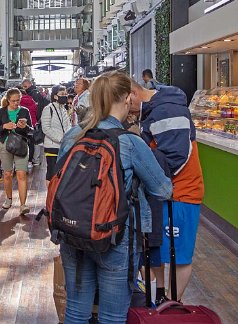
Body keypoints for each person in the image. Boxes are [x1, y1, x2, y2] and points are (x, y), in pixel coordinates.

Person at [57, 70, 173, 324]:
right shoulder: (130, 142)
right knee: (112, 316)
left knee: (76, 311)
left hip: (72, 232)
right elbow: (163, 190)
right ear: (128, 98)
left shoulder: (72, 136)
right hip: (116, 236)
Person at [130, 80, 204, 303]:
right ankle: (161, 298)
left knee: (178, 255)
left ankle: (171, 307)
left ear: (132, 94)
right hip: (165, 193)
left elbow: (175, 157)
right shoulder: (156, 109)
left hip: (180, 194)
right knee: (158, 251)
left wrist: (150, 177)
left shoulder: (166, 109)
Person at [0, 88, 33, 215]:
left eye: (18, 100)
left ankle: (23, 204)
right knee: (7, 174)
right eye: (13, 101)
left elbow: (31, 131)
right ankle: (8, 198)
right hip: (5, 145)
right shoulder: (2, 111)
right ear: (8, 100)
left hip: (20, 145)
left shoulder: (25, 111)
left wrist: (25, 127)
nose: (16, 103)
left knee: (21, 174)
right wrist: (4, 126)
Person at [41, 86, 72, 181]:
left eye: (65, 94)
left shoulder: (63, 109)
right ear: (55, 96)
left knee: (62, 172)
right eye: (62, 94)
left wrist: (68, 137)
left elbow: (68, 125)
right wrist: (60, 138)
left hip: (64, 146)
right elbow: (46, 128)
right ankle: (50, 194)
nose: (65, 96)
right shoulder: (48, 109)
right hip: (52, 146)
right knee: (52, 172)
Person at [19, 88, 38, 169]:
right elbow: (36, 112)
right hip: (32, 123)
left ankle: (19, 162)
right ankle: (30, 161)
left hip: (21, 124)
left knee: (20, 143)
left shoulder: (19, 102)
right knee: (31, 144)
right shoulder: (32, 101)